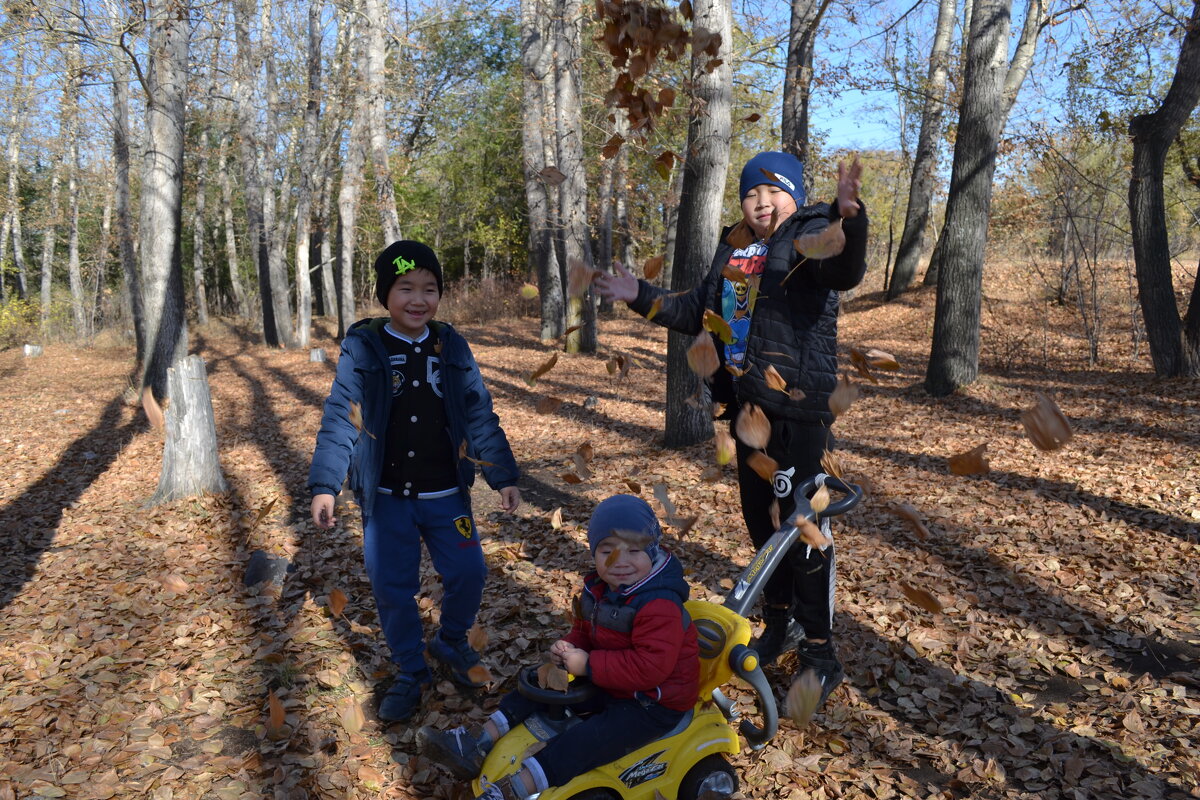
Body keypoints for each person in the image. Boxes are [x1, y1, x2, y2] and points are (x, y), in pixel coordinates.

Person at [594, 151, 867, 707]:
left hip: (795, 415)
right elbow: (696, 309)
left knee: (801, 531)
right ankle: (780, 624)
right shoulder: (734, 246)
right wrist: (639, 297)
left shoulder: (808, 232)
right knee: (762, 529)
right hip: (747, 414)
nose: (762, 202)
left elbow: (843, 269)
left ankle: (820, 650)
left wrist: (851, 218)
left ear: (793, 195)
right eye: (751, 193)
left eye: (773, 191)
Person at [308, 240, 522, 723]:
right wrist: (326, 483)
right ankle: (411, 671)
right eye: (406, 288)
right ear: (387, 294)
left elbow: (478, 413)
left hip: (448, 495)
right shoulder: (364, 346)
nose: (418, 299)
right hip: (387, 502)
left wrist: (502, 475)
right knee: (392, 588)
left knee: (470, 573)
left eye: (429, 288)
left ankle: (449, 644)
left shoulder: (451, 344)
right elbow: (342, 417)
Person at [418, 495, 699, 800]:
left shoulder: (659, 605)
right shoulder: (600, 589)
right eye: (608, 550)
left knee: (588, 739)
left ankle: (517, 788)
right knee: (540, 682)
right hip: (615, 682)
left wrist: (588, 665)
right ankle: (477, 740)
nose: (620, 561)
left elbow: (650, 668)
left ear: (652, 550)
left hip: (652, 703)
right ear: (594, 553)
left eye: (633, 550)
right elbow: (585, 630)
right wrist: (570, 647)